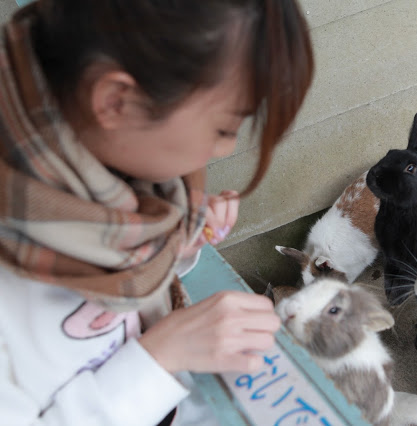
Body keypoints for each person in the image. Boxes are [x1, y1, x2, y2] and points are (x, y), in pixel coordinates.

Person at [0, 1, 314, 425]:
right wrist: (160, 356)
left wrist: (179, 242)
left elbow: (127, 286)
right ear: (116, 101)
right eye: (225, 129)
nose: (226, 149)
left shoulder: (89, 165)